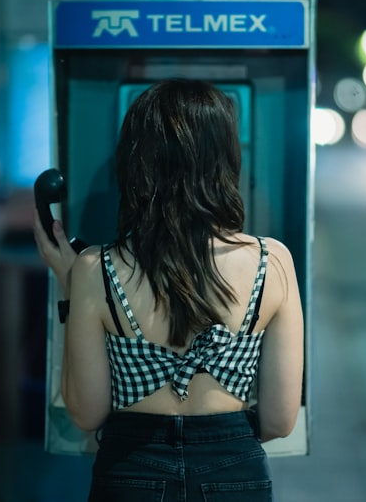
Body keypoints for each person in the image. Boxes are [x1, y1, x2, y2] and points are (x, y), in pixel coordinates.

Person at [33, 78, 304, 501]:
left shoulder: (95, 269)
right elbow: (279, 419)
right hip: (234, 473)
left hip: (131, 472)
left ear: (137, 163)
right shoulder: (273, 263)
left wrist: (71, 284)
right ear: (226, 159)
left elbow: (86, 413)